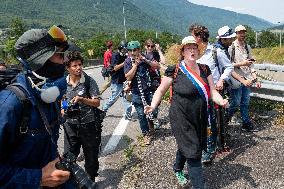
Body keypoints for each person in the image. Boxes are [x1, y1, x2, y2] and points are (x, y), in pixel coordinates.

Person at [144, 36, 228, 188]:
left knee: (189, 144)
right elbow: (161, 90)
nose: (192, 50)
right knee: (194, 152)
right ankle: (199, 185)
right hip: (180, 116)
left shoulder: (205, 69)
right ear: (182, 52)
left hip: (200, 116)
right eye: (188, 48)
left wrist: (221, 101)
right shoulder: (174, 70)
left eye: (194, 48)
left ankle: (177, 168)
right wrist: (153, 105)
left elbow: (213, 91)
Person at [0, 26, 74, 188]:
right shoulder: (9, 104)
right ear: (40, 61)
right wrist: (37, 178)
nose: (64, 62)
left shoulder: (47, 94)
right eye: (59, 55)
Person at [190, 24, 234, 163]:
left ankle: (209, 150)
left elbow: (229, 67)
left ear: (198, 37)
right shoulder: (193, 53)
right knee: (199, 120)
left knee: (211, 121)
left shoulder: (215, 51)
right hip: (197, 92)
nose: (191, 39)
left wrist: (221, 79)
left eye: (193, 36)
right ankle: (202, 145)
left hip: (212, 92)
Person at [62, 51, 101, 182]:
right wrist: (63, 109)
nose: (78, 68)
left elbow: (97, 102)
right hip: (70, 126)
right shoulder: (62, 83)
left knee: (91, 159)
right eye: (74, 66)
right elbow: (60, 101)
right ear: (68, 68)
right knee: (68, 157)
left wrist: (82, 100)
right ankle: (71, 182)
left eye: (80, 64)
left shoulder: (89, 81)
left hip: (88, 125)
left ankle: (90, 181)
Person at [124, 41, 160, 145]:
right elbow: (128, 76)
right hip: (137, 93)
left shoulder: (145, 57)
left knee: (153, 111)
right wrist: (135, 65)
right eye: (130, 50)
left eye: (134, 50)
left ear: (139, 50)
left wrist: (145, 60)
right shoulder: (127, 61)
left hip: (149, 90)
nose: (132, 52)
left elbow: (156, 66)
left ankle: (151, 125)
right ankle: (146, 134)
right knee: (141, 115)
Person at [228, 25, 261, 132]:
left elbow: (251, 64)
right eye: (240, 32)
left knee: (245, 102)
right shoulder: (231, 47)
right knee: (235, 102)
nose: (242, 34)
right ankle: (225, 120)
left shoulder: (247, 47)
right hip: (236, 79)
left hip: (248, 78)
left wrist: (256, 78)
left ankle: (246, 122)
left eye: (244, 32)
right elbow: (228, 65)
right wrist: (243, 63)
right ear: (236, 34)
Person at [102, 41, 132, 120]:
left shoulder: (126, 56)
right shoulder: (115, 55)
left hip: (124, 80)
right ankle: (103, 109)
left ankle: (128, 114)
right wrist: (124, 62)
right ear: (120, 49)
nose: (125, 51)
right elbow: (115, 68)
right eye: (124, 50)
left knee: (127, 98)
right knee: (114, 97)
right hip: (116, 80)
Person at [143, 39, 166, 129]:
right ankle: (153, 120)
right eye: (148, 46)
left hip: (156, 80)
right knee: (151, 100)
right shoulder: (143, 55)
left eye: (152, 46)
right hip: (146, 81)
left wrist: (159, 50)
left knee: (157, 100)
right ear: (145, 46)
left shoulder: (156, 54)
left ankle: (153, 118)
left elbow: (163, 62)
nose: (150, 48)